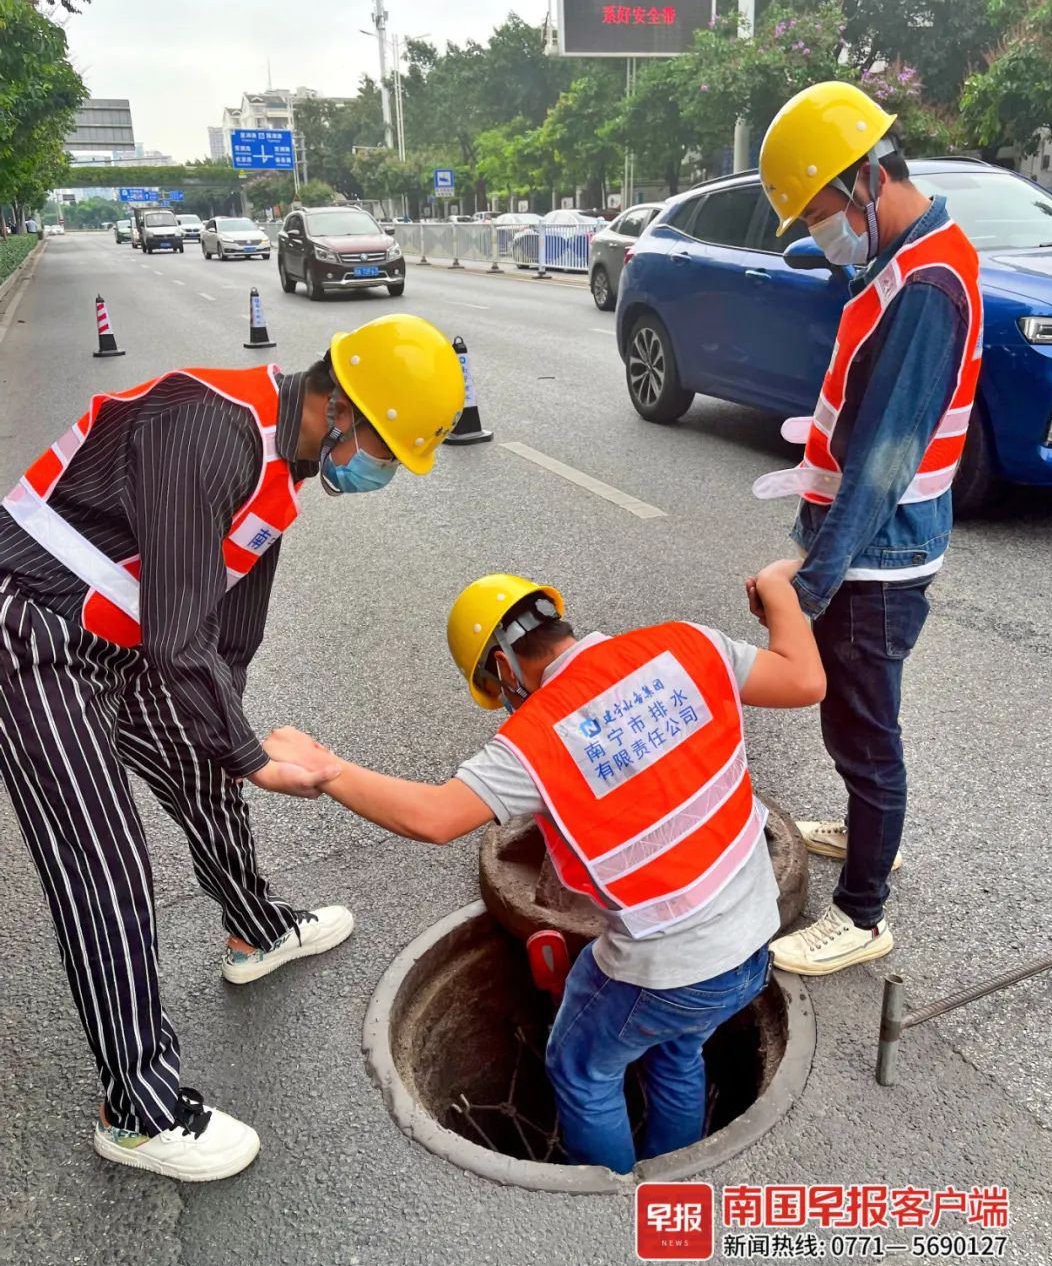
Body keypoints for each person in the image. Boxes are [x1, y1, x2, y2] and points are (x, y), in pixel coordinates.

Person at [0, 314, 465, 1181]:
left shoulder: (282, 471)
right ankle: (135, 1107)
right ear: (343, 414)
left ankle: (254, 930)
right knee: (102, 862)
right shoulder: (206, 430)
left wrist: (230, 738)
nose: (383, 473)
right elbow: (180, 639)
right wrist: (253, 756)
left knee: (203, 763)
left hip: (118, 642)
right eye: (388, 454)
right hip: (31, 629)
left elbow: (229, 632)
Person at [265, 569, 825, 1173]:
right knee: (677, 1052)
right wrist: (779, 591)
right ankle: (673, 1175)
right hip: (753, 937)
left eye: (493, 686)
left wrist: (328, 770)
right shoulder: (688, 644)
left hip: (668, 966)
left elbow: (432, 817)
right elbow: (804, 679)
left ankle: (612, 1198)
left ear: (505, 669)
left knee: (582, 1069)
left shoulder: (536, 737)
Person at [750, 81, 983, 977]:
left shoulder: (925, 285)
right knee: (858, 719)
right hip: (870, 549)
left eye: (819, 215)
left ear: (866, 180)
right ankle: (861, 829)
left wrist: (807, 585)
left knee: (867, 732)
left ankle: (863, 912)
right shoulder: (901, 258)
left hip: (880, 561)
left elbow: (886, 462)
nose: (820, 235)